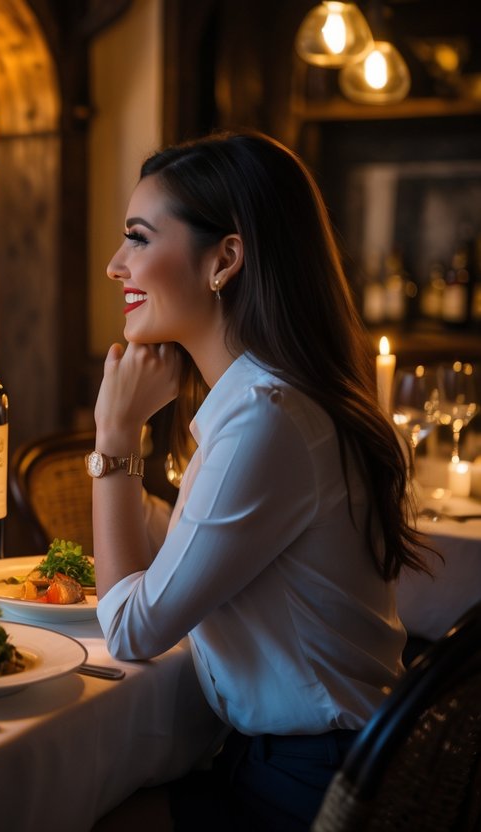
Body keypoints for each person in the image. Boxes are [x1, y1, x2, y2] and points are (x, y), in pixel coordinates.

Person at [89, 130, 433, 830]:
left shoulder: (265, 418)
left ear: (224, 259)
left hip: (313, 786)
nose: (113, 265)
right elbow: (199, 553)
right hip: (290, 759)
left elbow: (129, 627)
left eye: (137, 237)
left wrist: (116, 441)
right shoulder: (277, 400)